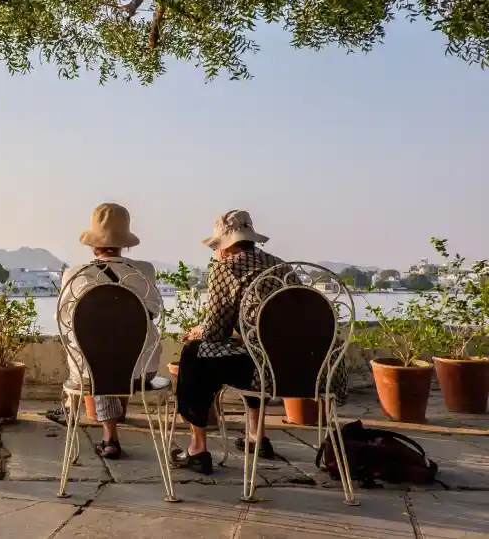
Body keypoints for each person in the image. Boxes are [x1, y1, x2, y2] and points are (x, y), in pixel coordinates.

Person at [172, 210, 347, 475]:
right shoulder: (280, 266)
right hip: (309, 369)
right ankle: (256, 435)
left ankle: (197, 449)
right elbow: (283, 322)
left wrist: (198, 330)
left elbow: (216, 333)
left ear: (224, 246)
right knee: (252, 348)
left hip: (262, 373)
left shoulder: (226, 268)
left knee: (194, 355)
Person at [52, 203, 164, 460]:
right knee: (109, 351)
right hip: (141, 372)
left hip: (91, 374)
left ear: (93, 243)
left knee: (93, 352)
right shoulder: (144, 271)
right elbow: (154, 311)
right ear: (124, 243)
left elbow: (64, 320)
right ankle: (94, 425)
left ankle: (105, 434)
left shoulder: (74, 274)